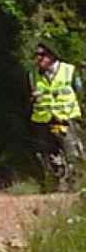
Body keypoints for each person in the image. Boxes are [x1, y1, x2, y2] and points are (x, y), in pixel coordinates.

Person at [29, 42, 83, 187]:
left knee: (71, 152)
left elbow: (79, 92)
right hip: (43, 120)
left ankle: (76, 185)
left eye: (42, 55)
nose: (39, 59)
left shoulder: (69, 71)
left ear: (52, 56)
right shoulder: (33, 74)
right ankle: (55, 185)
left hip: (66, 118)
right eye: (37, 55)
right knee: (48, 155)